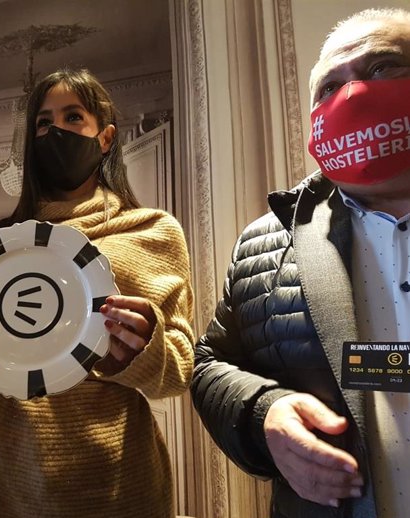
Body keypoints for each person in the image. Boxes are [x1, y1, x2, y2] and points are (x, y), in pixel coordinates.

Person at [0, 68, 195, 518]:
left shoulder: (153, 231)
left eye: (73, 117)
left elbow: (179, 370)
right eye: (44, 122)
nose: (56, 131)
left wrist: (140, 349)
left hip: (120, 483)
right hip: (4, 483)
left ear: (105, 138)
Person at [191, 7, 410, 518]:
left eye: (383, 68)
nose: (354, 94)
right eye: (329, 87)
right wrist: (264, 415)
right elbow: (209, 363)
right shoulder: (265, 243)